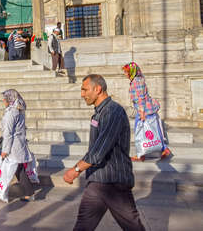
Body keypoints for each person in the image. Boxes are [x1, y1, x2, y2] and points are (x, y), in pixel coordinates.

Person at [63, 74, 146, 231]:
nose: (82, 94)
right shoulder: (99, 113)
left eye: (84, 89)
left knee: (132, 226)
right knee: (83, 226)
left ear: (98, 89)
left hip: (114, 181)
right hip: (97, 181)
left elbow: (99, 150)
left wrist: (75, 170)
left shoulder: (113, 112)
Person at [122, 62, 172, 161]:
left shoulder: (136, 81)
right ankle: (163, 150)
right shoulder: (137, 80)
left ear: (131, 72)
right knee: (153, 131)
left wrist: (141, 112)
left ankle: (141, 155)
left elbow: (141, 98)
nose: (125, 74)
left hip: (144, 111)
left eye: (126, 72)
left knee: (140, 132)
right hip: (146, 110)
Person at [1, 89, 34, 202]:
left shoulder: (12, 112)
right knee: (18, 168)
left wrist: (5, 150)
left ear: (10, 99)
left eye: (5, 99)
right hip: (17, 144)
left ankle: (28, 192)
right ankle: (27, 192)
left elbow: (8, 132)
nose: (3, 101)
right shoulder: (18, 110)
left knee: (18, 168)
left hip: (13, 145)